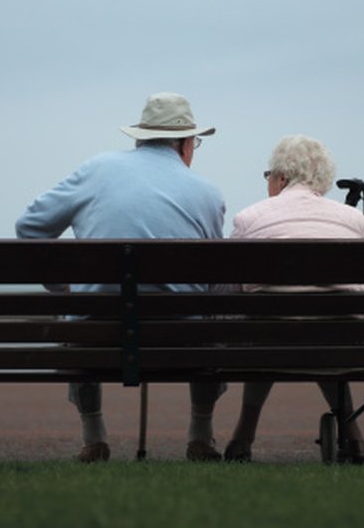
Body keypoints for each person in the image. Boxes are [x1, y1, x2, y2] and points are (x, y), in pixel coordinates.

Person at [15, 92, 227, 463]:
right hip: (182, 340)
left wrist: (62, 287)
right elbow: (212, 278)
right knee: (210, 317)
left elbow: (29, 228)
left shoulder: (98, 169)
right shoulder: (208, 193)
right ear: (184, 143)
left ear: (140, 137)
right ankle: (200, 435)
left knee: (77, 309)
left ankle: (94, 436)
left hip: (97, 335)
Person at [223, 134, 364, 463]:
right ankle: (355, 438)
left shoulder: (249, 218)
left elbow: (233, 289)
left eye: (268, 176)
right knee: (322, 331)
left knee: (267, 327)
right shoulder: (352, 219)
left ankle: (243, 437)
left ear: (282, 178)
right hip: (339, 341)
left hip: (268, 340)